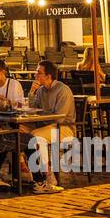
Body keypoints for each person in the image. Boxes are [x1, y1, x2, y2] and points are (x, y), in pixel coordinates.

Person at [23, 60, 75, 194]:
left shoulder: (63, 90)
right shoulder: (41, 90)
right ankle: (27, 172)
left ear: (49, 76)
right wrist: (31, 92)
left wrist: (41, 115)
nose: (35, 75)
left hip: (64, 128)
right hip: (45, 125)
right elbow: (34, 108)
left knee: (36, 137)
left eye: (38, 72)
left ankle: (48, 176)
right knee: (20, 132)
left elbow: (60, 117)